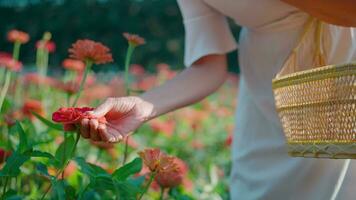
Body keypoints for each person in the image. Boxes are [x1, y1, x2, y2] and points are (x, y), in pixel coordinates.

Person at [79, 1, 356, 199]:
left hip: (338, 67)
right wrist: (144, 105)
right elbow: (208, 65)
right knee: (257, 189)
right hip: (265, 87)